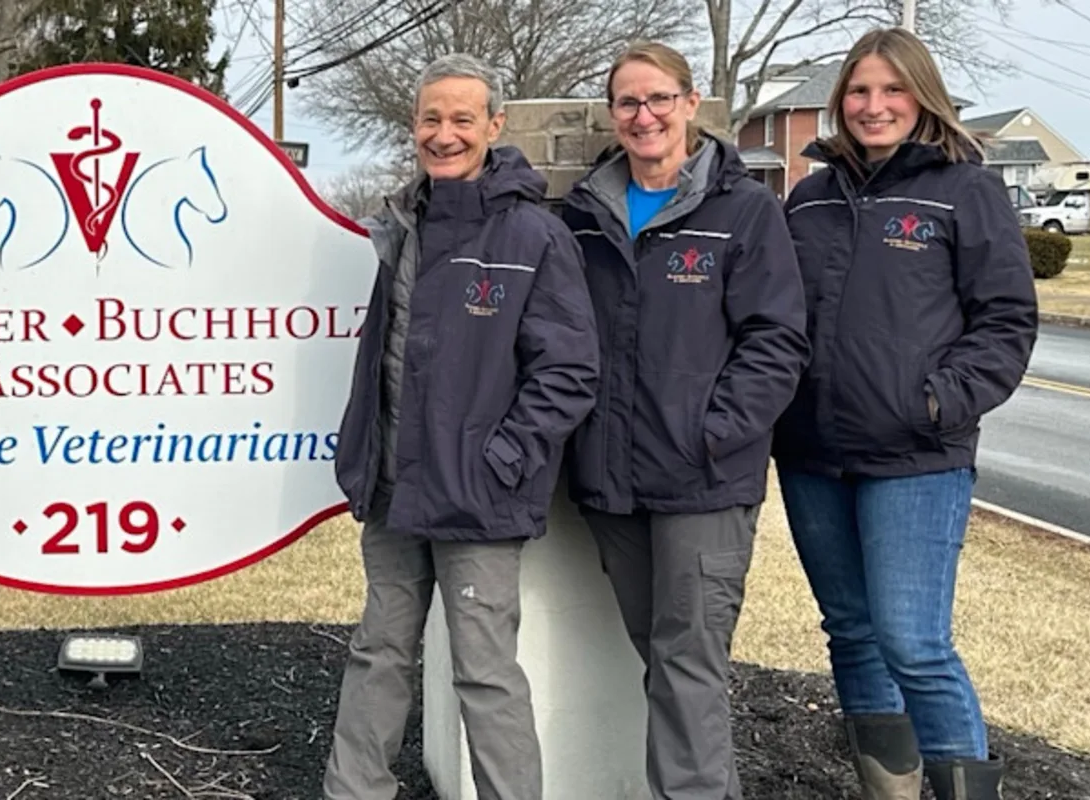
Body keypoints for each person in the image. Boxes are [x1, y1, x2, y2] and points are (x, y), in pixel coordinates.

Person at [320, 53, 600, 800]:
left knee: (484, 672)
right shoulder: (404, 224)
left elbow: (570, 372)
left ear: (494, 126)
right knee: (378, 651)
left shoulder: (533, 237)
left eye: (461, 119)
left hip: (478, 498)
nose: (443, 134)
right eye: (430, 119)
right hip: (393, 489)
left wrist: (501, 457)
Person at [775, 27, 1038, 800]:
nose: (874, 106)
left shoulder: (965, 190)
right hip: (812, 453)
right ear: (840, 101)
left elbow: (1006, 322)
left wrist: (936, 401)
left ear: (922, 96)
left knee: (913, 642)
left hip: (916, 459)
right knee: (852, 634)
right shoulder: (811, 197)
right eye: (859, 91)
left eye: (892, 90)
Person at [559, 41, 809, 800]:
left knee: (688, 663)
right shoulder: (582, 214)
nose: (646, 117)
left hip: (704, 480)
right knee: (662, 658)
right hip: (613, 481)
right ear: (613, 114)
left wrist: (713, 431)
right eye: (630, 103)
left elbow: (778, 340)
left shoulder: (744, 211)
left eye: (660, 99)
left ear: (690, 103)